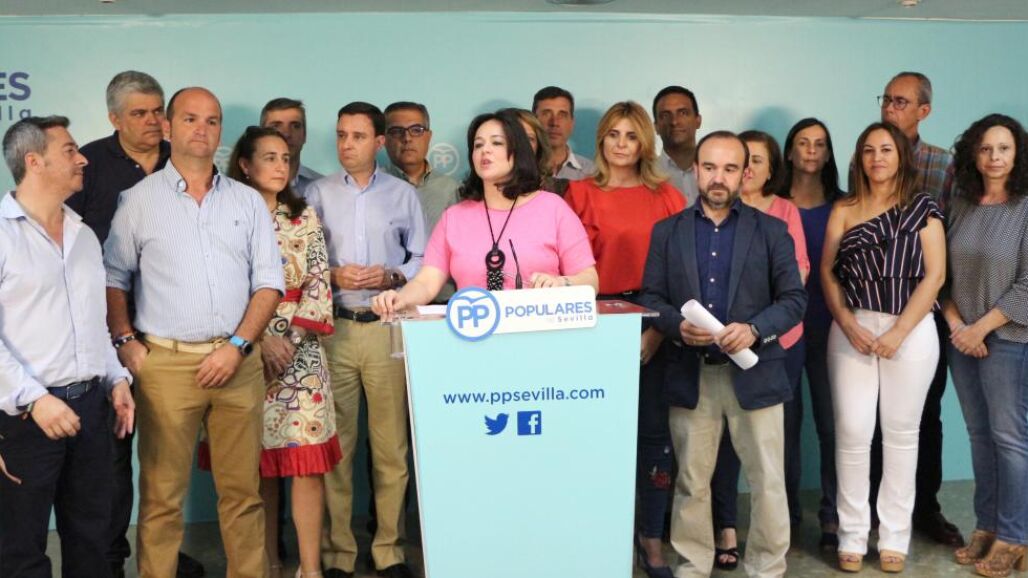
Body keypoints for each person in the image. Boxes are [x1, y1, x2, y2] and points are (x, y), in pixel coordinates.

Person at [104, 87, 285, 577]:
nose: (202, 129)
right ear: (168, 127)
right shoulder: (138, 200)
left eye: (212, 120)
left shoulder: (248, 202)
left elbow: (269, 282)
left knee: (243, 495)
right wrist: (125, 342)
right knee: (162, 499)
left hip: (237, 363)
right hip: (165, 366)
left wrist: (238, 346)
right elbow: (114, 277)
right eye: (190, 119)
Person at [639, 131, 806, 578]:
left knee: (767, 480)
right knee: (691, 482)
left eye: (730, 168)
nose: (718, 177)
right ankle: (693, 566)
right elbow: (651, 297)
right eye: (710, 167)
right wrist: (676, 326)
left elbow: (794, 300)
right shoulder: (667, 232)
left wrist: (754, 330)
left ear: (744, 174)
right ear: (696, 170)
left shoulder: (771, 231)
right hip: (691, 373)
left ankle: (767, 568)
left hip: (756, 373)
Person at [62, 70, 205, 578]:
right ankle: (110, 560)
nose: (152, 121)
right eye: (139, 113)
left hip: (175, 335)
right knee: (113, 457)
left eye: (158, 111)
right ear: (114, 118)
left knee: (168, 458)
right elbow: (68, 252)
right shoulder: (88, 166)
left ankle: (160, 556)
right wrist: (118, 337)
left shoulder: (182, 160)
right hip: (109, 338)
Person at [0, 115, 134, 578]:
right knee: (21, 551)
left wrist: (117, 380)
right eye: (70, 151)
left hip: (92, 411)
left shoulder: (83, 234)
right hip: (24, 419)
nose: (83, 160)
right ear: (34, 162)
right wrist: (36, 400)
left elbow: (93, 324)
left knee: (92, 544)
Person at [564, 101, 683, 578]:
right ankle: (598, 536)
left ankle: (651, 539)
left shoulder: (667, 196)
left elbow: (683, 272)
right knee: (594, 436)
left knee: (654, 436)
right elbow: (567, 266)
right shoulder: (578, 194)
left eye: (631, 135)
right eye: (613, 134)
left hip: (654, 321)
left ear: (645, 143)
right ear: (601, 140)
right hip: (593, 321)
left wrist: (656, 330)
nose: (620, 144)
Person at [308, 101, 425, 578]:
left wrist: (392, 275)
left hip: (386, 329)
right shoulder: (316, 192)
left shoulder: (402, 194)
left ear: (379, 142)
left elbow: (422, 258)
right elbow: (302, 259)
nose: (347, 144)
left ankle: (389, 551)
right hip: (334, 330)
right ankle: (338, 554)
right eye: (341, 135)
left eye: (358, 136)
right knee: (337, 449)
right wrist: (334, 274)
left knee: (391, 449)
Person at [822, 122, 945, 573]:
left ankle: (894, 536)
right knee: (852, 431)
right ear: (859, 158)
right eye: (869, 150)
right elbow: (828, 272)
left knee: (901, 433)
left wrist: (898, 332)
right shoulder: (844, 208)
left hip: (910, 329)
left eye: (887, 149)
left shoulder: (923, 207)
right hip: (852, 325)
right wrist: (847, 323)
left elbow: (935, 275)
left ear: (901, 157)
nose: (877, 158)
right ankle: (852, 535)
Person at [223, 126, 343, 578]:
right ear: (245, 165)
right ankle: (267, 563)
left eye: (285, 158)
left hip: (301, 354)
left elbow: (318, 281)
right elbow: (220, 287)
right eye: (269, 157)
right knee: (255, 466)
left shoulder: (303, 215)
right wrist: (257, 339)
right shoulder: (226, 216)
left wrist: (290, 340)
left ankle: (310, 569)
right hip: (245, 349)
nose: (280, 166)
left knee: (306, 463)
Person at [372, 108, 597, 315]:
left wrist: (562, 284)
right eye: (478, 145)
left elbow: (590, 280)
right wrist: (399, 299)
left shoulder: (553, 208)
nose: (485, 150)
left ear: (518, 152)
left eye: (496, 143)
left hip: (540, 335)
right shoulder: (455, 217)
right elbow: (426, 281)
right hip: (474, 336)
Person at [708, 130, 809, 570]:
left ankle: (774, 549)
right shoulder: (698, 220)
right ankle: (723, 530)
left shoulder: (779, 217)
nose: (742, 170)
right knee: (715, 455)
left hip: (773, 347)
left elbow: (796, 284)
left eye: (752, 162)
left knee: (770, 455)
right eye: (736, 161)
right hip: (713, 351)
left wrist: (756, 329)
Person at [877, 72, 963, 547]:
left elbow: (952, 233)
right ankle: (877, 510)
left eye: (901, 102)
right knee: (874, 413)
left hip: (927, 304)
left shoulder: (943, 164)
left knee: (925, 412)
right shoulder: (867, 155)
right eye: (886, 99)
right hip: (873, 304)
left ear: (923, 111)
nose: (890, 108)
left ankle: (924, 508)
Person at [943, 114, 1028, 578]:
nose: (995, 157)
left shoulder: (1025, 207)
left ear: (1018, 155)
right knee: (980, 436)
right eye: (986, 148)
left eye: (1004, 148)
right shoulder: (961, 204)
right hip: (962, 338)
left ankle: (1015, 536)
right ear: (973, 155)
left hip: (1009, 340)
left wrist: (981, 329)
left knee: (1010, 440)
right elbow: (941, 274)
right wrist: (959, 325)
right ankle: (987, 526)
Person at [780, 117, 846, 551]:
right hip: (783, 331)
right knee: (786, 427)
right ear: (789, 151)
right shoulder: (773, 204)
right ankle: (786, 517)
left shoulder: (844, 205)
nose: (811, 151)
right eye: (803, 143)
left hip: (832, 326)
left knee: (832, 425)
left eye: (820, 144)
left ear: (828, 154)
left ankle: (832, 516)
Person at [383, 101, 460, 301]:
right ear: (383, 139)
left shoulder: (452, 189)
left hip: (443, 300)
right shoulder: (373, 188)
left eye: (416, 130)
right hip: (389, 301)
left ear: (429, 136)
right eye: (397, 131)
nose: (407, 138)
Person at [261, 97, 323, 196]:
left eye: (295, 126)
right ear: (261, 136)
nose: (286, 134)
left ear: (304, 135)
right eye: (276, 126)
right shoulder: (244, 188)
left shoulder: (323, 188)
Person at [532, 86, 595, 180]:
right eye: (546, 114)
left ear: (572, 123)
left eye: (562, 115)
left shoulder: (591, 172)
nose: (554, 123)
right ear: (533, 120)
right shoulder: (517, 168)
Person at [652, 85, 702, 205]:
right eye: (665, 115)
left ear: (698, 120)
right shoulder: (645, 175)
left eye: (683, 113)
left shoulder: (719, 172)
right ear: (656, 127)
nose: (674, 121)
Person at [506, 107, 570, 197]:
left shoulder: (561, 191)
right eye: (514, 137)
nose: (523, 145)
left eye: (529, 139)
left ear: (539, 147)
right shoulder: (485, 188)